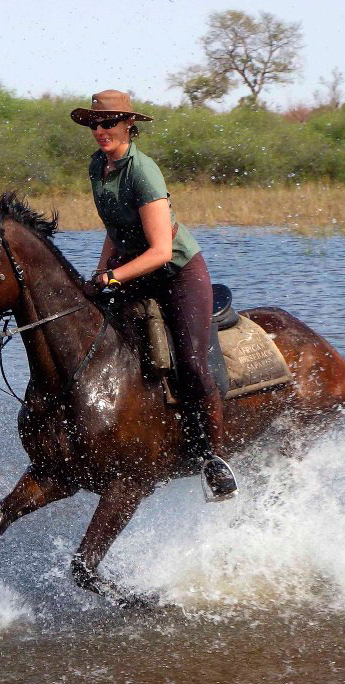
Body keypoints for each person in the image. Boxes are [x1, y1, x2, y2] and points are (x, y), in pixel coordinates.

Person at [71, 89, 237, 502]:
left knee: (193, 361)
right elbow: (115, 229)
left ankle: (215, 460)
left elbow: (161, 250)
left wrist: (113, 278)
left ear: (129, 124)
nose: (100, 130)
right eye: (95, 124)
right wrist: (100, 274)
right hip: (133, 268)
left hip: (177, 271)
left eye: (108, 123)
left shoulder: (143, 172)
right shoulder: (98, 166)